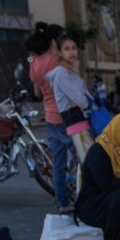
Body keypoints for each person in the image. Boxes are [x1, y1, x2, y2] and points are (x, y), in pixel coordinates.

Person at [27, 22, 75, 214]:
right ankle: (87, 197)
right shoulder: (57, 61)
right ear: (53, 42)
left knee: (58, 164)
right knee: (83, 159)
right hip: (67, 116)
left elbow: (37, 93)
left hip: (50, 118)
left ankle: (63, 203)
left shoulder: (34, 66)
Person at [47, 33, 95, 212]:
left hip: (76, 120)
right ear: (60, 52)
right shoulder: (61, 75)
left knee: (66, 163)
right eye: (67, 49)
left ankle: (64, 202)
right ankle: (83, 201)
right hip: (74, 121)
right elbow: (82, 100)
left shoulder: (71, 72)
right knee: (85, 161)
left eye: (73, 48)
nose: (72, 52)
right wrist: (87, 101)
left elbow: (84, 95)